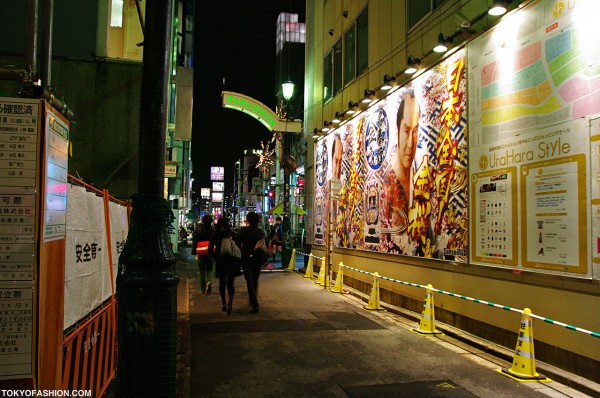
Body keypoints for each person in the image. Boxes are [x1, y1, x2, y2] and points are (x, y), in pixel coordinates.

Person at [235, 211, 267, 313]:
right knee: (254, 280)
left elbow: (237, 243)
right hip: (257, 258)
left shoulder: (243, 231)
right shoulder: (260, 232)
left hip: (246, 258)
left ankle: (254, 303)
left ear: (247, 220)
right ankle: (253, 300)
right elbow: (265, 244)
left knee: (249, 281)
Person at [209, 216, 240, 315]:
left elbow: (210, 250)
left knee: (222, 283)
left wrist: (216, 256)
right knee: (230, 283)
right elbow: (237, 247)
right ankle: (230, 299)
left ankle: (223, 303)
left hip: (220, 261)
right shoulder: (232, 234)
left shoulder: (215, 235)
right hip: (231, 261)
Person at [191, 214, 215, 294]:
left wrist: (194, 251)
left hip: (201, 253)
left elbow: (195, 242)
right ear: (211, 222)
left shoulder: (200, 231)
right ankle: (209, 281)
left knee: (201, 271)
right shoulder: (213, 231)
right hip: (211, 252)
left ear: (203, 222)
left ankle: (202, 289)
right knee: (210, 269)